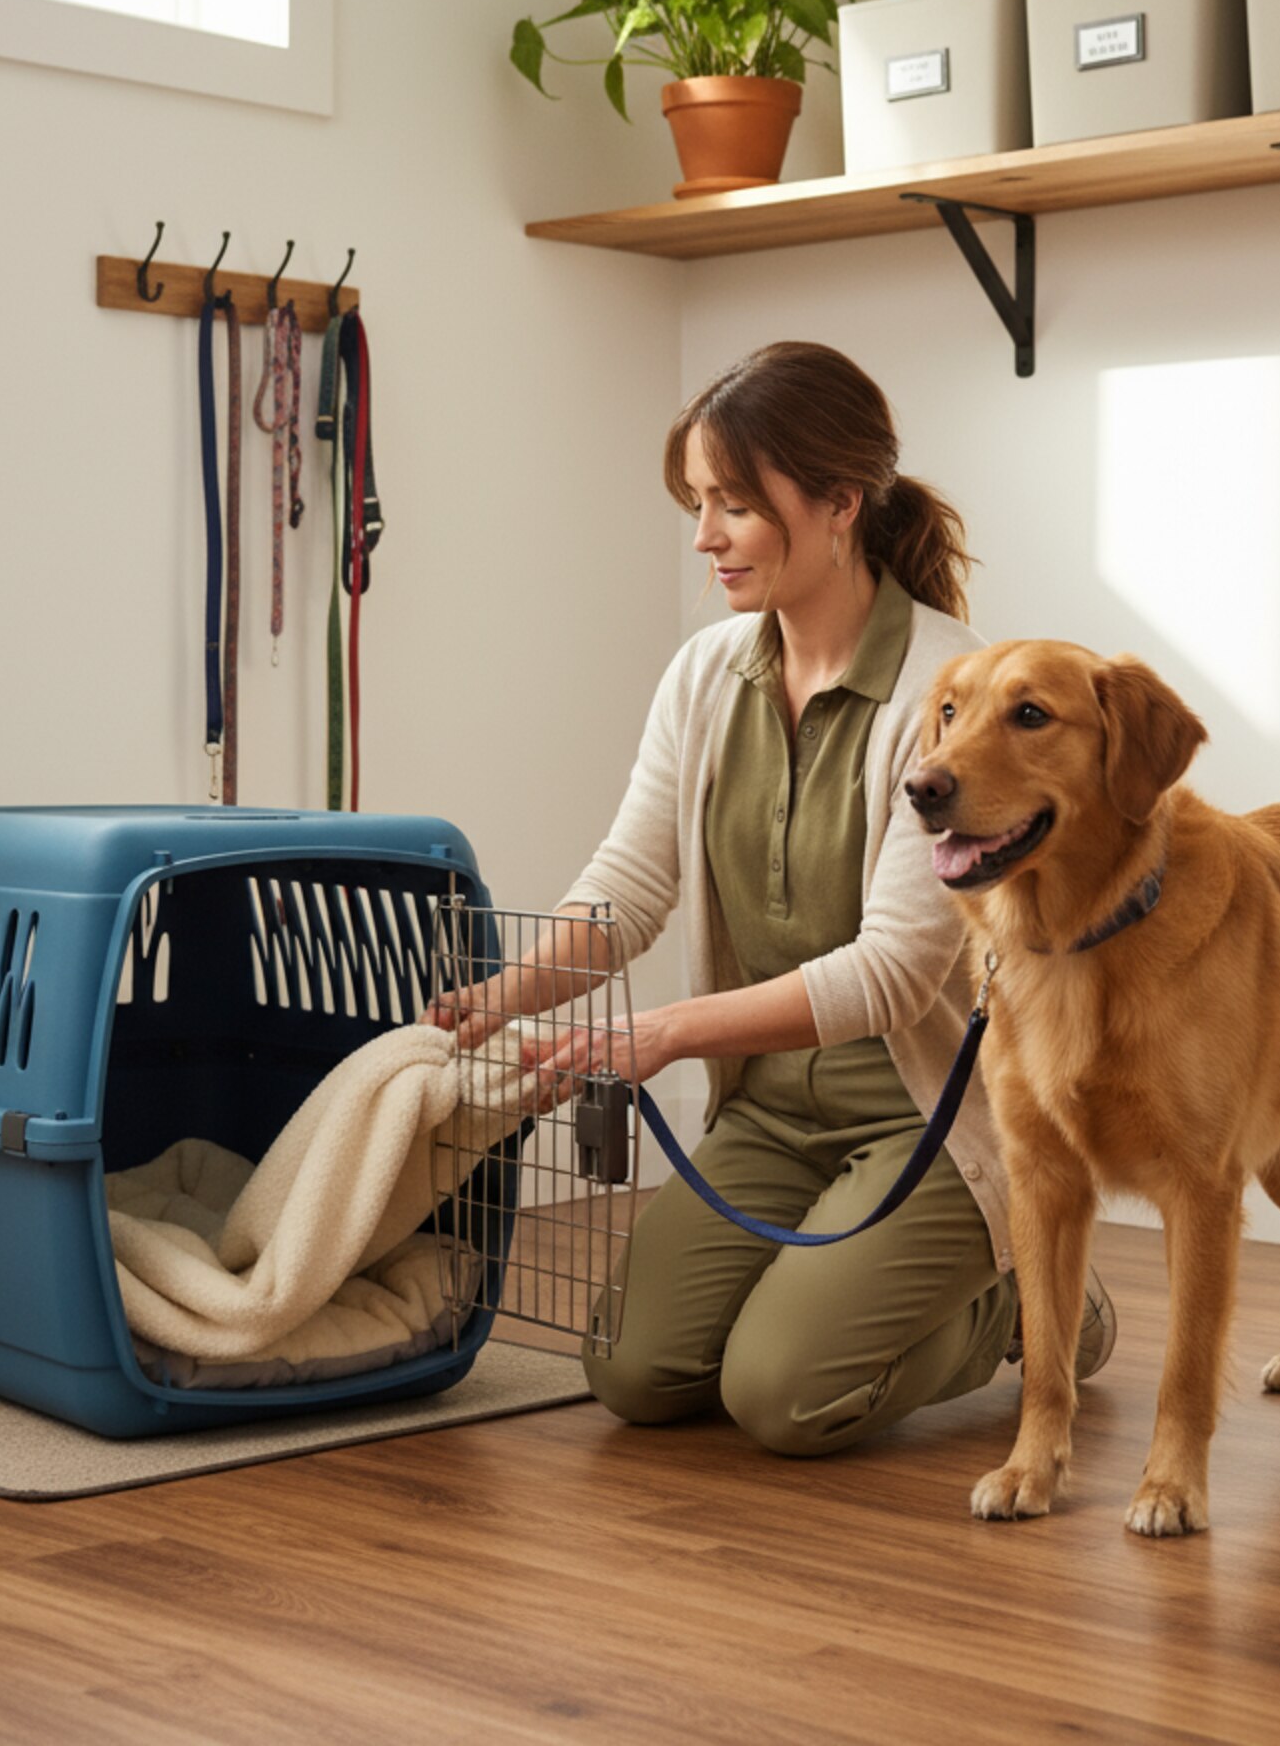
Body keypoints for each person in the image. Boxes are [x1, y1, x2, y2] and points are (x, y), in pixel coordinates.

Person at [436, 342, 1114, 1457]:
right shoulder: (705, 675)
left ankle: (1035, 1305)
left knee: (779, 1393)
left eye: (735, 506)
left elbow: (894, 971)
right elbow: (628, 887)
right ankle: (853, 1272)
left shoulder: (949, 690)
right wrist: (498, 997)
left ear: (839, 503)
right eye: (698, 503)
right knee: (635, 1369)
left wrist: (658, 1032)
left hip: (927, 1125)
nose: (703, 536)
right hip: (766, 1118)